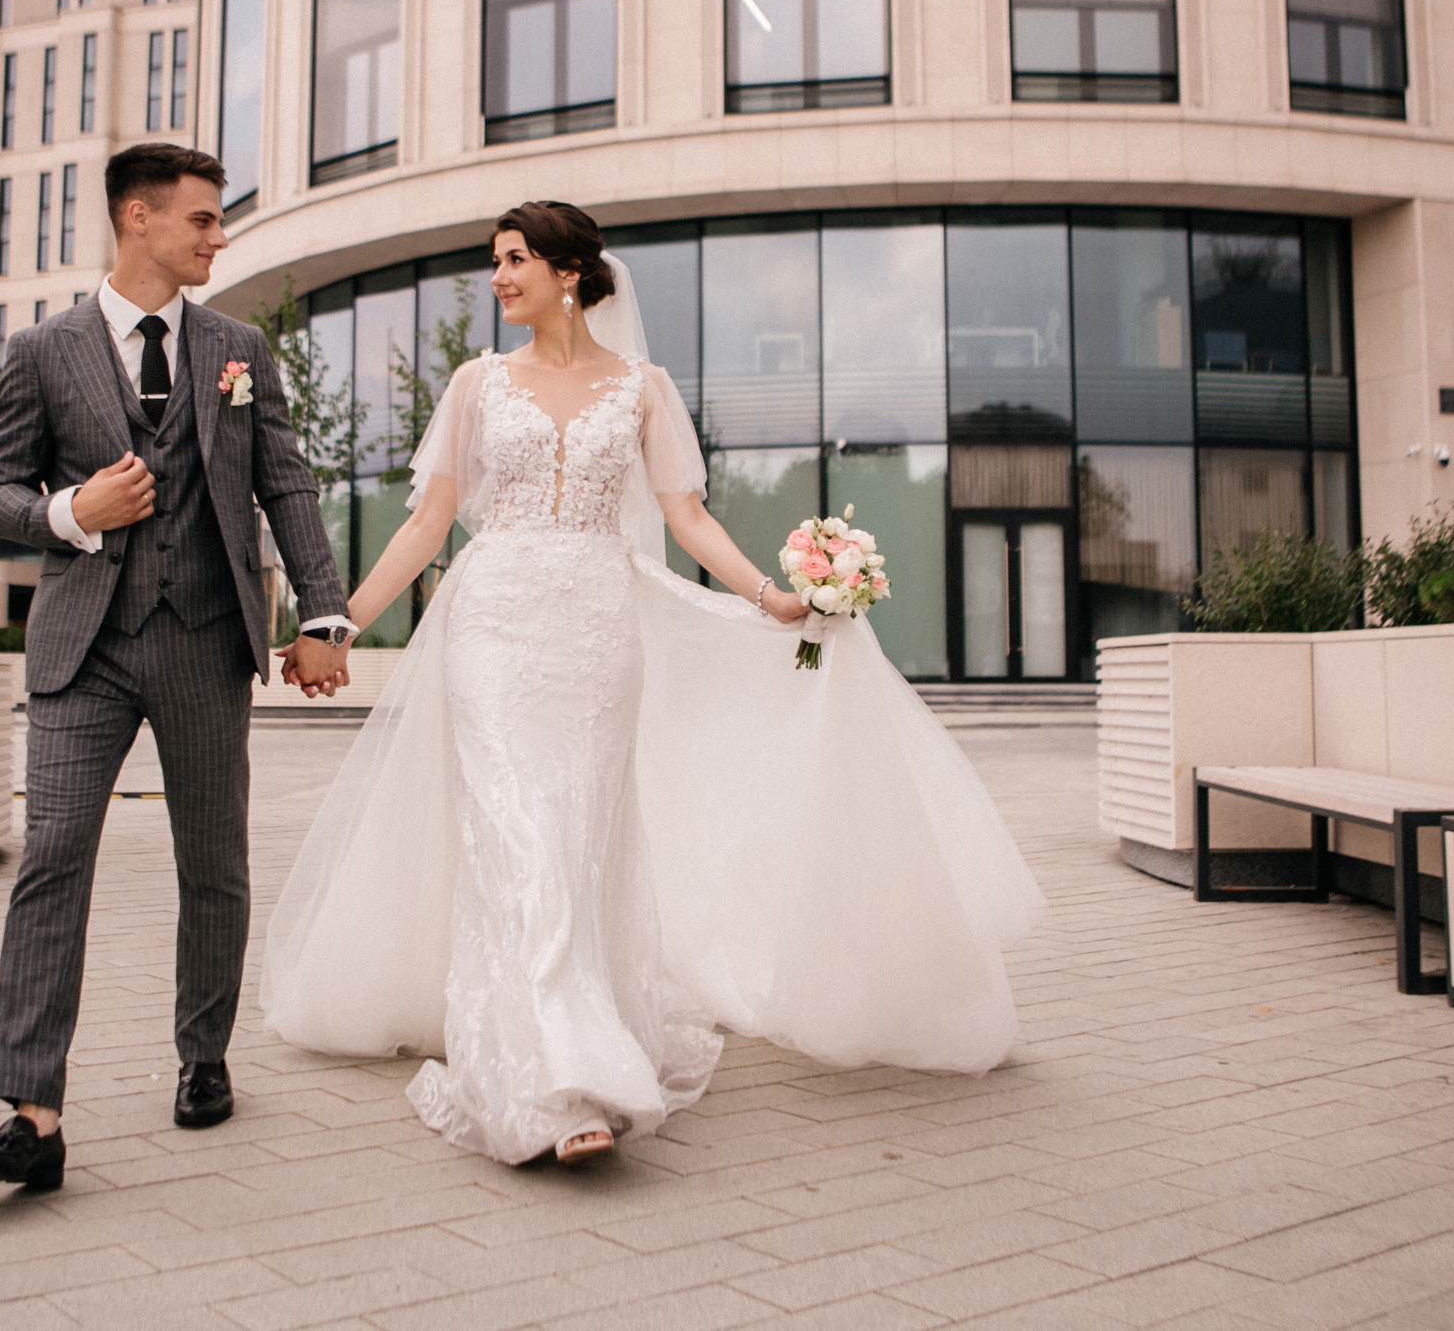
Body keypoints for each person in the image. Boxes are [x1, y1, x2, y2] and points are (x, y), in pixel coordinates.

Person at [264, 201, 1046, 1167]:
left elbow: (688, 519)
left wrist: (773, 594)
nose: (499, 278)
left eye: (513, 261)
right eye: (495, 262)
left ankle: (573, 1042)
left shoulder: (643, 388)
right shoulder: (476, 383)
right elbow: (430, 523)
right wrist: (336, 623)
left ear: (568, 272)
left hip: (597, 632)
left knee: (578, 836)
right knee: (520, 832)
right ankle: (557, 1077)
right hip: (496, 626)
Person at [0, 143, 357, 1191]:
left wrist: (325, 614)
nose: (219, 237)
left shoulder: (238, 348)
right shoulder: (41, 350)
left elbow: (288, 485)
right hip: (82, 646)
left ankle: (204, 1057)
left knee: (212, 862)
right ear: (138, 218)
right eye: (203, 220)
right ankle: (32, 1113)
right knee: (51, 858)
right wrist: (66, 513)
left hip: (203, 637)